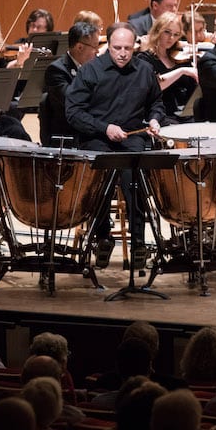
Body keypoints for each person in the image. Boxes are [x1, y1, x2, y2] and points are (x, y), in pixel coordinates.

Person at [65, 22, 164, 270]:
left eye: (127, 48)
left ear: (135, 46)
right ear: (107, 46)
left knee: (135, 179)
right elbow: (73, 112)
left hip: (132, 136)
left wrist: (154, 119)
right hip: (98, 136)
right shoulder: (90, 71)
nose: (122, 53)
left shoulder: (145, 70)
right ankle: (102, 238)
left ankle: (140, 243)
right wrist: (104, 128)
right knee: (100, 182)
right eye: (117, 47)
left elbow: (157, 103)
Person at [40, 21, 100, 147]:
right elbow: (73, 101)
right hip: (70, 134)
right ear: (79, 47)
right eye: (94, 46)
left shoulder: (94, 67)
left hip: (90, 128)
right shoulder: (57, 70)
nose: (97, 51)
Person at [140, 11, 198, 124]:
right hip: (161, 116)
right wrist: (182, 71)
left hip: (185, 115)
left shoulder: (181, 57)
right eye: (167, 32)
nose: (171, 38)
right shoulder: (145, 59)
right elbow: (155, 86)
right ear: (157, 31)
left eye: (176, 34)